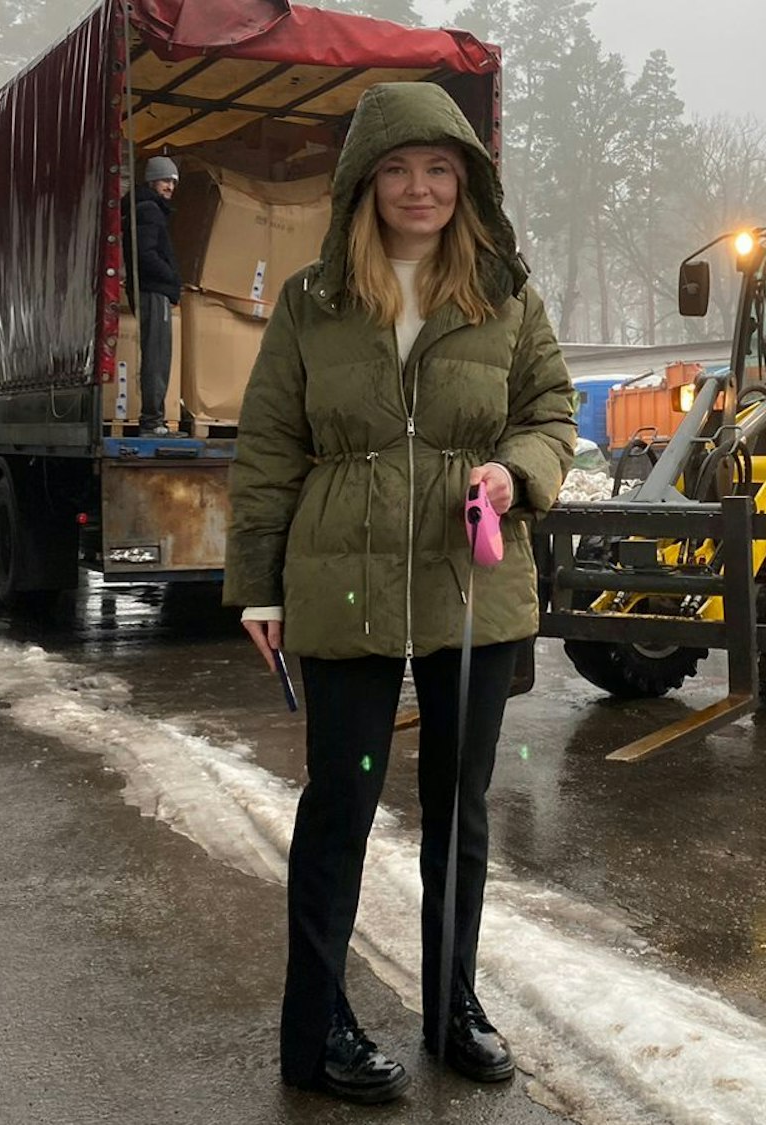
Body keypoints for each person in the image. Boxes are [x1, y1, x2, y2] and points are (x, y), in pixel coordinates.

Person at [224, 83, 574, 1103]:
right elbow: (268, 448)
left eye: (436, 167)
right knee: (341, 802)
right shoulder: (311, 301)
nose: (417, 188)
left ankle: (452, 1004)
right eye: (395, 168)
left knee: (460, 808)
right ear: (362, 184)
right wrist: (256, 587)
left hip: (472, 587)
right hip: (345, 585)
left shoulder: (506, 293)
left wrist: (518, 470)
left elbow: (550, 412)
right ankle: (318, 1025)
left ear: (462, 178)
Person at [124, 154, 183, 435]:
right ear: (151, 181)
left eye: (173, 181)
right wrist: (171, 277)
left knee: (155, 355)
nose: (170, 186)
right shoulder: (149, 209)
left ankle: (154, 418)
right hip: (154, 292)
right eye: (164, 180)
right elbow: (145, 254)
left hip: (151, 291)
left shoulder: (146, 208)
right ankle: (152, 421)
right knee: (157, 357)